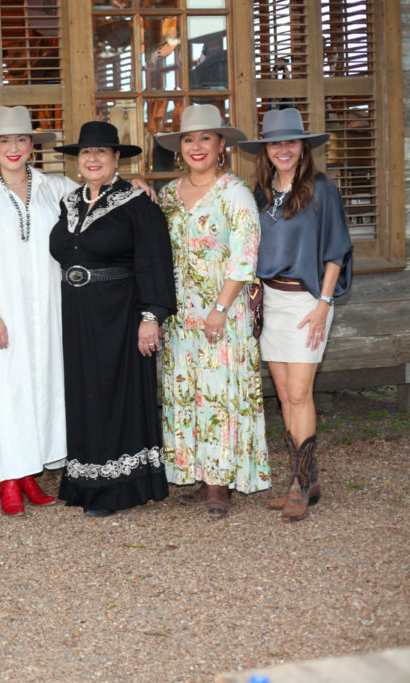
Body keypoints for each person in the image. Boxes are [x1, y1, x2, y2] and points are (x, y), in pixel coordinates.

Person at [48, 121, 176, 516]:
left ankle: (119, 487)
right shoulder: (68, 202)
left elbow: (155, 261)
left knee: (115, 394)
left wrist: (151, 316)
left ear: (116, 158)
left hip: (121, 315)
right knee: (85, 393)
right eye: (86, 153)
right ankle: (87, 481)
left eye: (101, 152)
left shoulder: (138, 203)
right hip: (77, 313)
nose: (92, 158)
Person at [237, 108, 353, 521]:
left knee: (301, 393)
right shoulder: (261, 192)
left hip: (307, 300)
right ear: (265, 150)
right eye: (274, 143)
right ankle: (307, 479)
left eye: (290, 142)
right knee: (285, 395)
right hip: (270, 301)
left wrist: (324, 304)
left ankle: (299, 486)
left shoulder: (321, 188)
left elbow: (337, 249)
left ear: (303, 146)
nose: (282, 149)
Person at [156, 103, 270, 518]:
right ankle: (199, 474)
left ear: (222, 144)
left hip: (223, 311)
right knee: (188, 392)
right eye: (189, 139)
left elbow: (245, 257)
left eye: (206, 137)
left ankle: (221, 483)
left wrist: (220, 307)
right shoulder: (168, 195)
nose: (197, 146)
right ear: (179, 147)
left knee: (220, 393)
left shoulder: (234, 193)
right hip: (180, 316)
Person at [0, 106, 70, 515]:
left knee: (40, 384)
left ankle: (29, 471)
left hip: (46, 305)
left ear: (32, 147)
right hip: (2, 308)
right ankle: (8, 476)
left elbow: (99, 193)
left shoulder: (52, 187)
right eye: (4, 140)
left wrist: (134, 183)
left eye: (20, 140)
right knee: (5, 389)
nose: (13, 148)